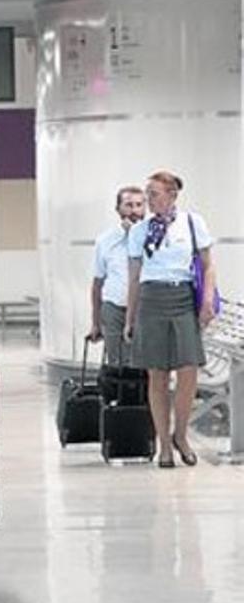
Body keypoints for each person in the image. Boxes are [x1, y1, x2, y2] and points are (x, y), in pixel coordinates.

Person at [124, 171, 218, 468]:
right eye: (147, 193)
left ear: (172, 195)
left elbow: (208, 266)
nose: (149, 199)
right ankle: (163, 443)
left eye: (154, 193)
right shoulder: (140, 232)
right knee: (158, 374)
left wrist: (206, 301)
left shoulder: (192, 223)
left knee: (189, 369)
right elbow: (135, 277)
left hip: (182, 298)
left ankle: (181, 434)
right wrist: (130, 318)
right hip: (151, 300)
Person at [88, 186, 146, 364]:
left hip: (145, 308)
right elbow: (98, 283)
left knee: (144, 362)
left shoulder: (154, 237)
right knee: (117, 362)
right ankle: (118, 392)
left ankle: (146, 393)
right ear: (118, 209)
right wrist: (96, 322)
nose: (134, 210)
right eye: (128, 205)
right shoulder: (105, 240)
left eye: (139, 204)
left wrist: (136, 236)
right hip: (114, 307)